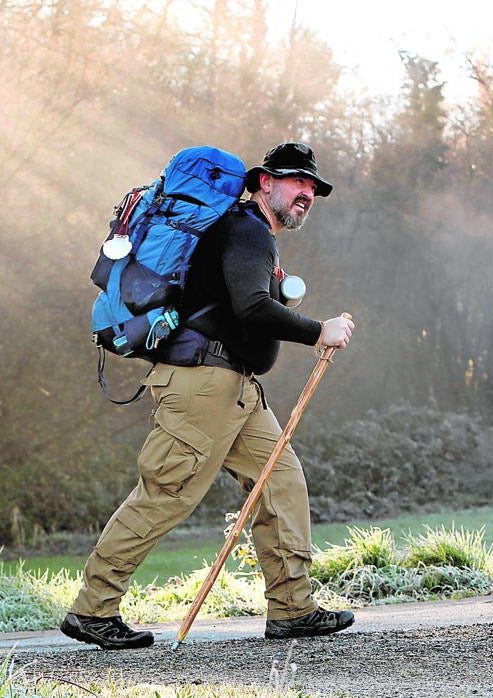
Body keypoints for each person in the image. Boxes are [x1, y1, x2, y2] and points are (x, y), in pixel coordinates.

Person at [61, 142, 356, 649]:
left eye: (313, 187)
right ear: (265, 182)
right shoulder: (245, 231)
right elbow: (252, 308)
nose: (307, 192)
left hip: (235, 389)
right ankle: (92, 610)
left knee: (280, 483)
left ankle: (292, 608)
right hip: (202, 387)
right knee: (165, 496)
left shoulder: (247, 232)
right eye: (296, 182)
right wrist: (317, 330)